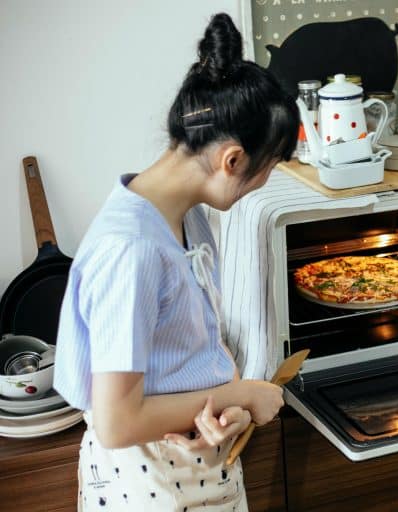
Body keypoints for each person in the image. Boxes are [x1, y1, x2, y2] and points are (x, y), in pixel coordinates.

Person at [53, 13, 299, 510]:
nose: (264, 181)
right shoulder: (132, 250)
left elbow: (183, 354)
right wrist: (245, 395)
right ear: (232, 161)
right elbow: (117, 421)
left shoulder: (186, 216)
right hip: (148, 481)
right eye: (267, 168)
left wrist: (226, 408)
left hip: (196, 460)